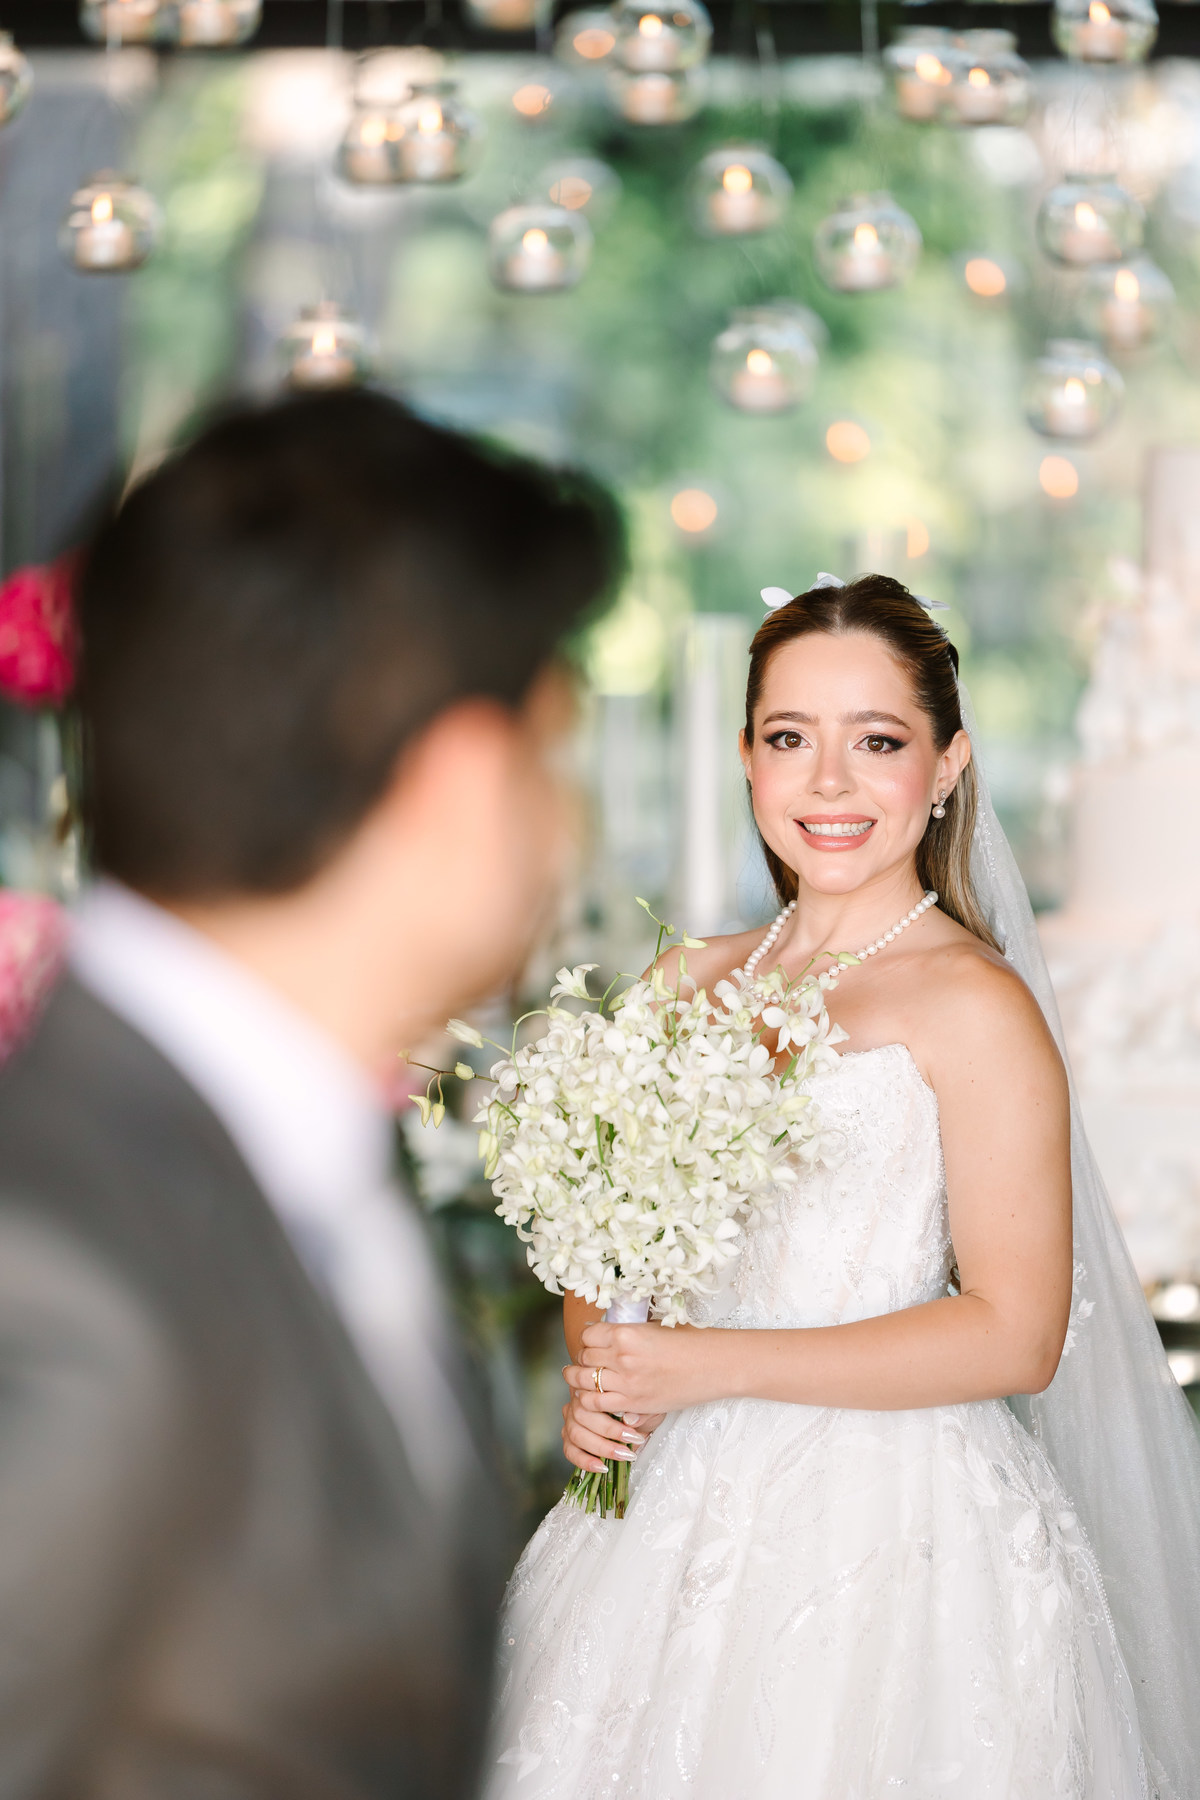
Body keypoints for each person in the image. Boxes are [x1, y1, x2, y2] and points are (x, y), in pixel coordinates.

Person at [0, 389, 623, 1800]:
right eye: (553, 750)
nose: (565, 821)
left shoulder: (306, 1176)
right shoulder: (53, 1274)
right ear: (462, 784)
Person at [487, 574, 1200, 1799]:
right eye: (788, 739)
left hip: (896, 1546)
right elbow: (607, 1256)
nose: (828, 782)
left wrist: (705, 1367)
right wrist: (603, 1370)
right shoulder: (681, 984)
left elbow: (1018, 1334)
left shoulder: (972, 1007)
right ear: (748, 763)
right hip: (660, 1525)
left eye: (876, 742)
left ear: (946, 766)